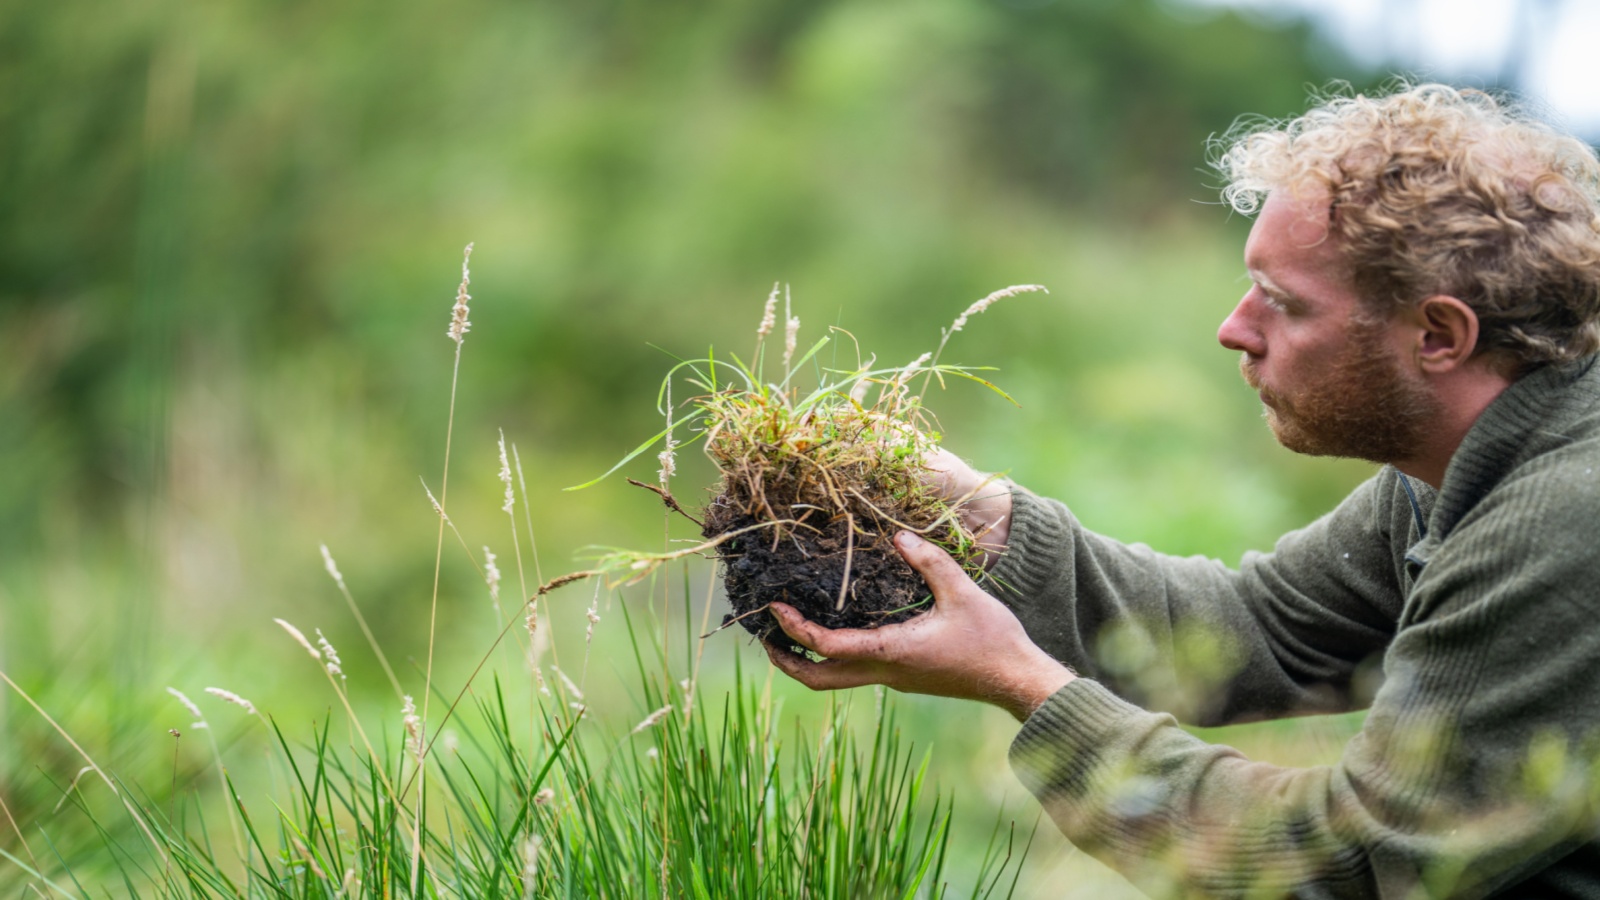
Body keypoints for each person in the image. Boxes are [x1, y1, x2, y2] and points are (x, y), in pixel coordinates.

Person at [764, 82, 1600, 898]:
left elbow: (1347, 866)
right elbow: (1264, 629)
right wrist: (993, 528)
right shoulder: (1471, 455)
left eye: (1282, 303)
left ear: (1440, 335)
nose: (1234, 329)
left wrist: (1021, 683)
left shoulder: (1565, 523)